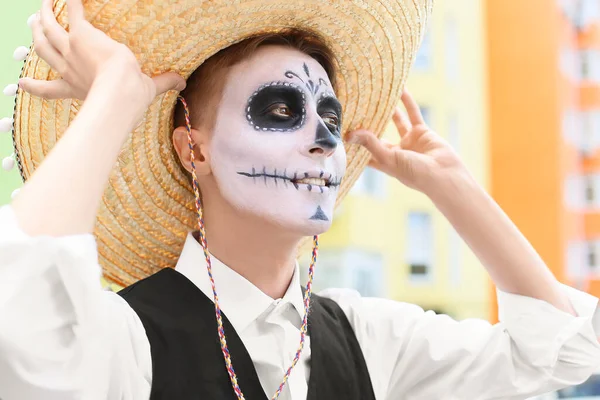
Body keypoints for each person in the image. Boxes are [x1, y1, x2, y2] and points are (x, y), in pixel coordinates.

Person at [0, 0, 599, 399]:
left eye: (331, 118)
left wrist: (452, 186)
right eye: (281, 111)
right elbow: (16, 315)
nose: (322, 139)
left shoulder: (370, 336)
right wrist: (117, 98)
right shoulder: (124, 339)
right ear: (194, 150)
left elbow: (564, 352)